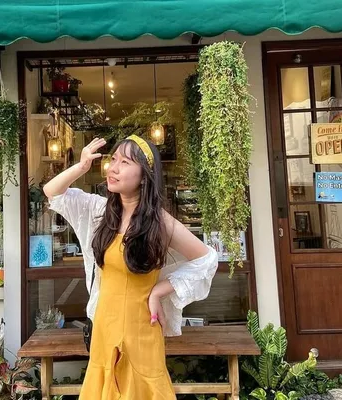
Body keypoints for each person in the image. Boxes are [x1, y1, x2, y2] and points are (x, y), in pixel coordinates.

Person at [44, 135, 218, 399]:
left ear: (144, 176)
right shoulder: (100, 212)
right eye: (113, 159)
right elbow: (52, 192)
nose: (113, 168)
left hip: (141, 328)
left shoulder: (160, 222)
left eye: (124, 163)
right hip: (104, 324)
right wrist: (81, 167)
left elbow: (207, 259)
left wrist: (160, 290)